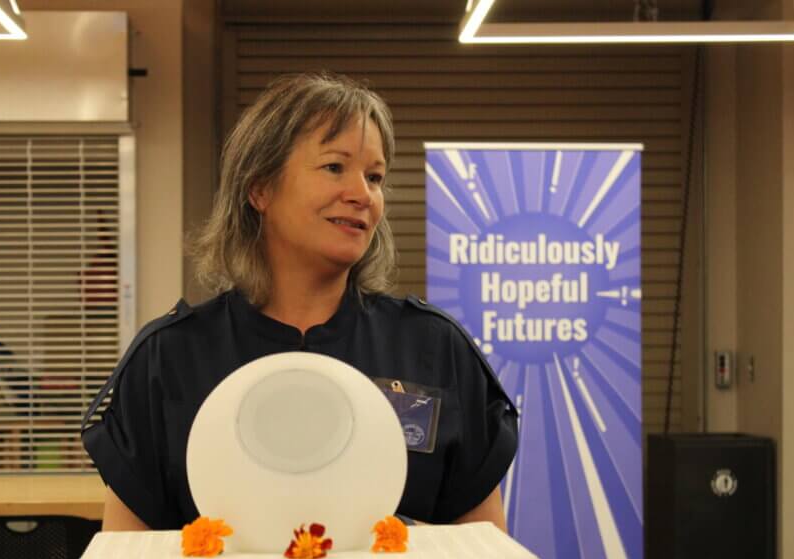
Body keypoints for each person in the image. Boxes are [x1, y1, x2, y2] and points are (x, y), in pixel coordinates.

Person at [82, 73, 517, 534]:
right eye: (335, 167)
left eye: (375, 177)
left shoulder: (434, 347)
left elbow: (487, 557)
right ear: (260, 189)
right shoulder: (169, 358)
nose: (361, 194)